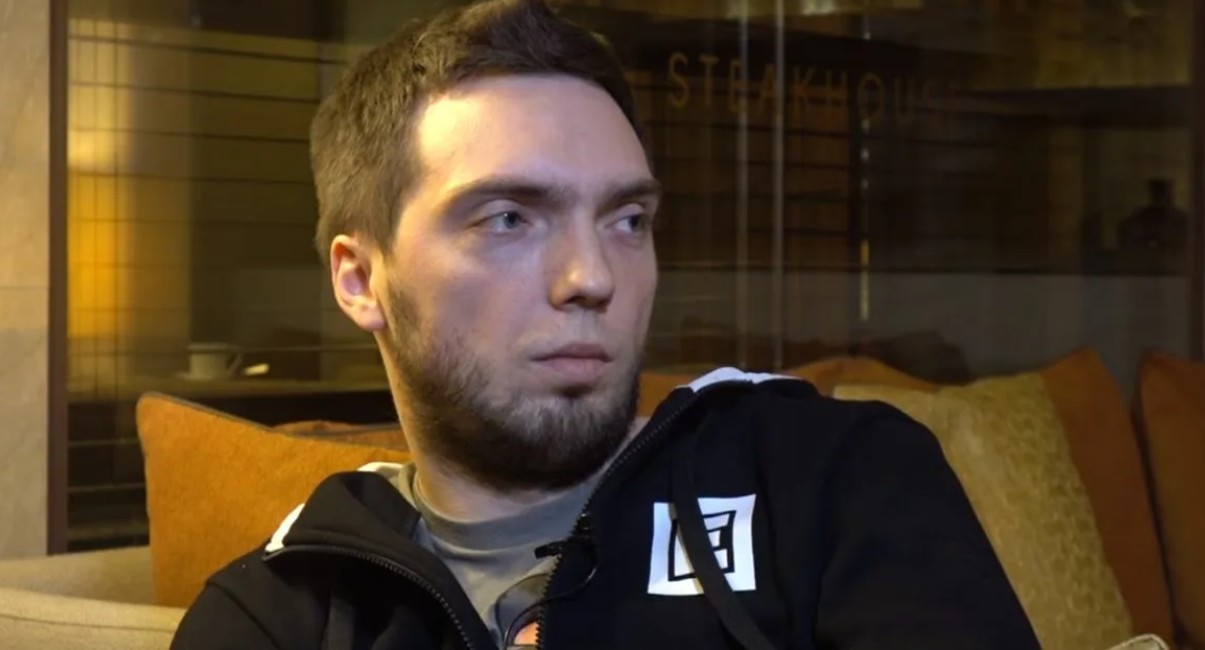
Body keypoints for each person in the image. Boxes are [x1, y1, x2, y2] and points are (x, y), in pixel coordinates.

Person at [171, 1, 1038, 648]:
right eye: (509, 219)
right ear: (361, 280)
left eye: (627, 220)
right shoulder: (277, 612)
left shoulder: (829, 477)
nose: (592, 278)